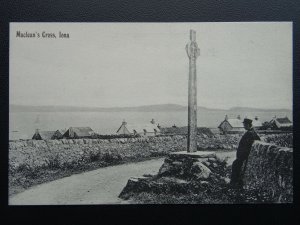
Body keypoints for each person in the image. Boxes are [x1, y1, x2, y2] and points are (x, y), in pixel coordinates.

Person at [230, 118, 260, 188]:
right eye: (244, 124)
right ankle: (235, 182)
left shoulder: (250, 133)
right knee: (236, 166)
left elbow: (248, 145)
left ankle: (233, 183)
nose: (244, 126)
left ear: (248, 125)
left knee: (235, 165)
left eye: (245, 125)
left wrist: (243, 155)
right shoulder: (251, 132)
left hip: (243, 156)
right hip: (242, 156)